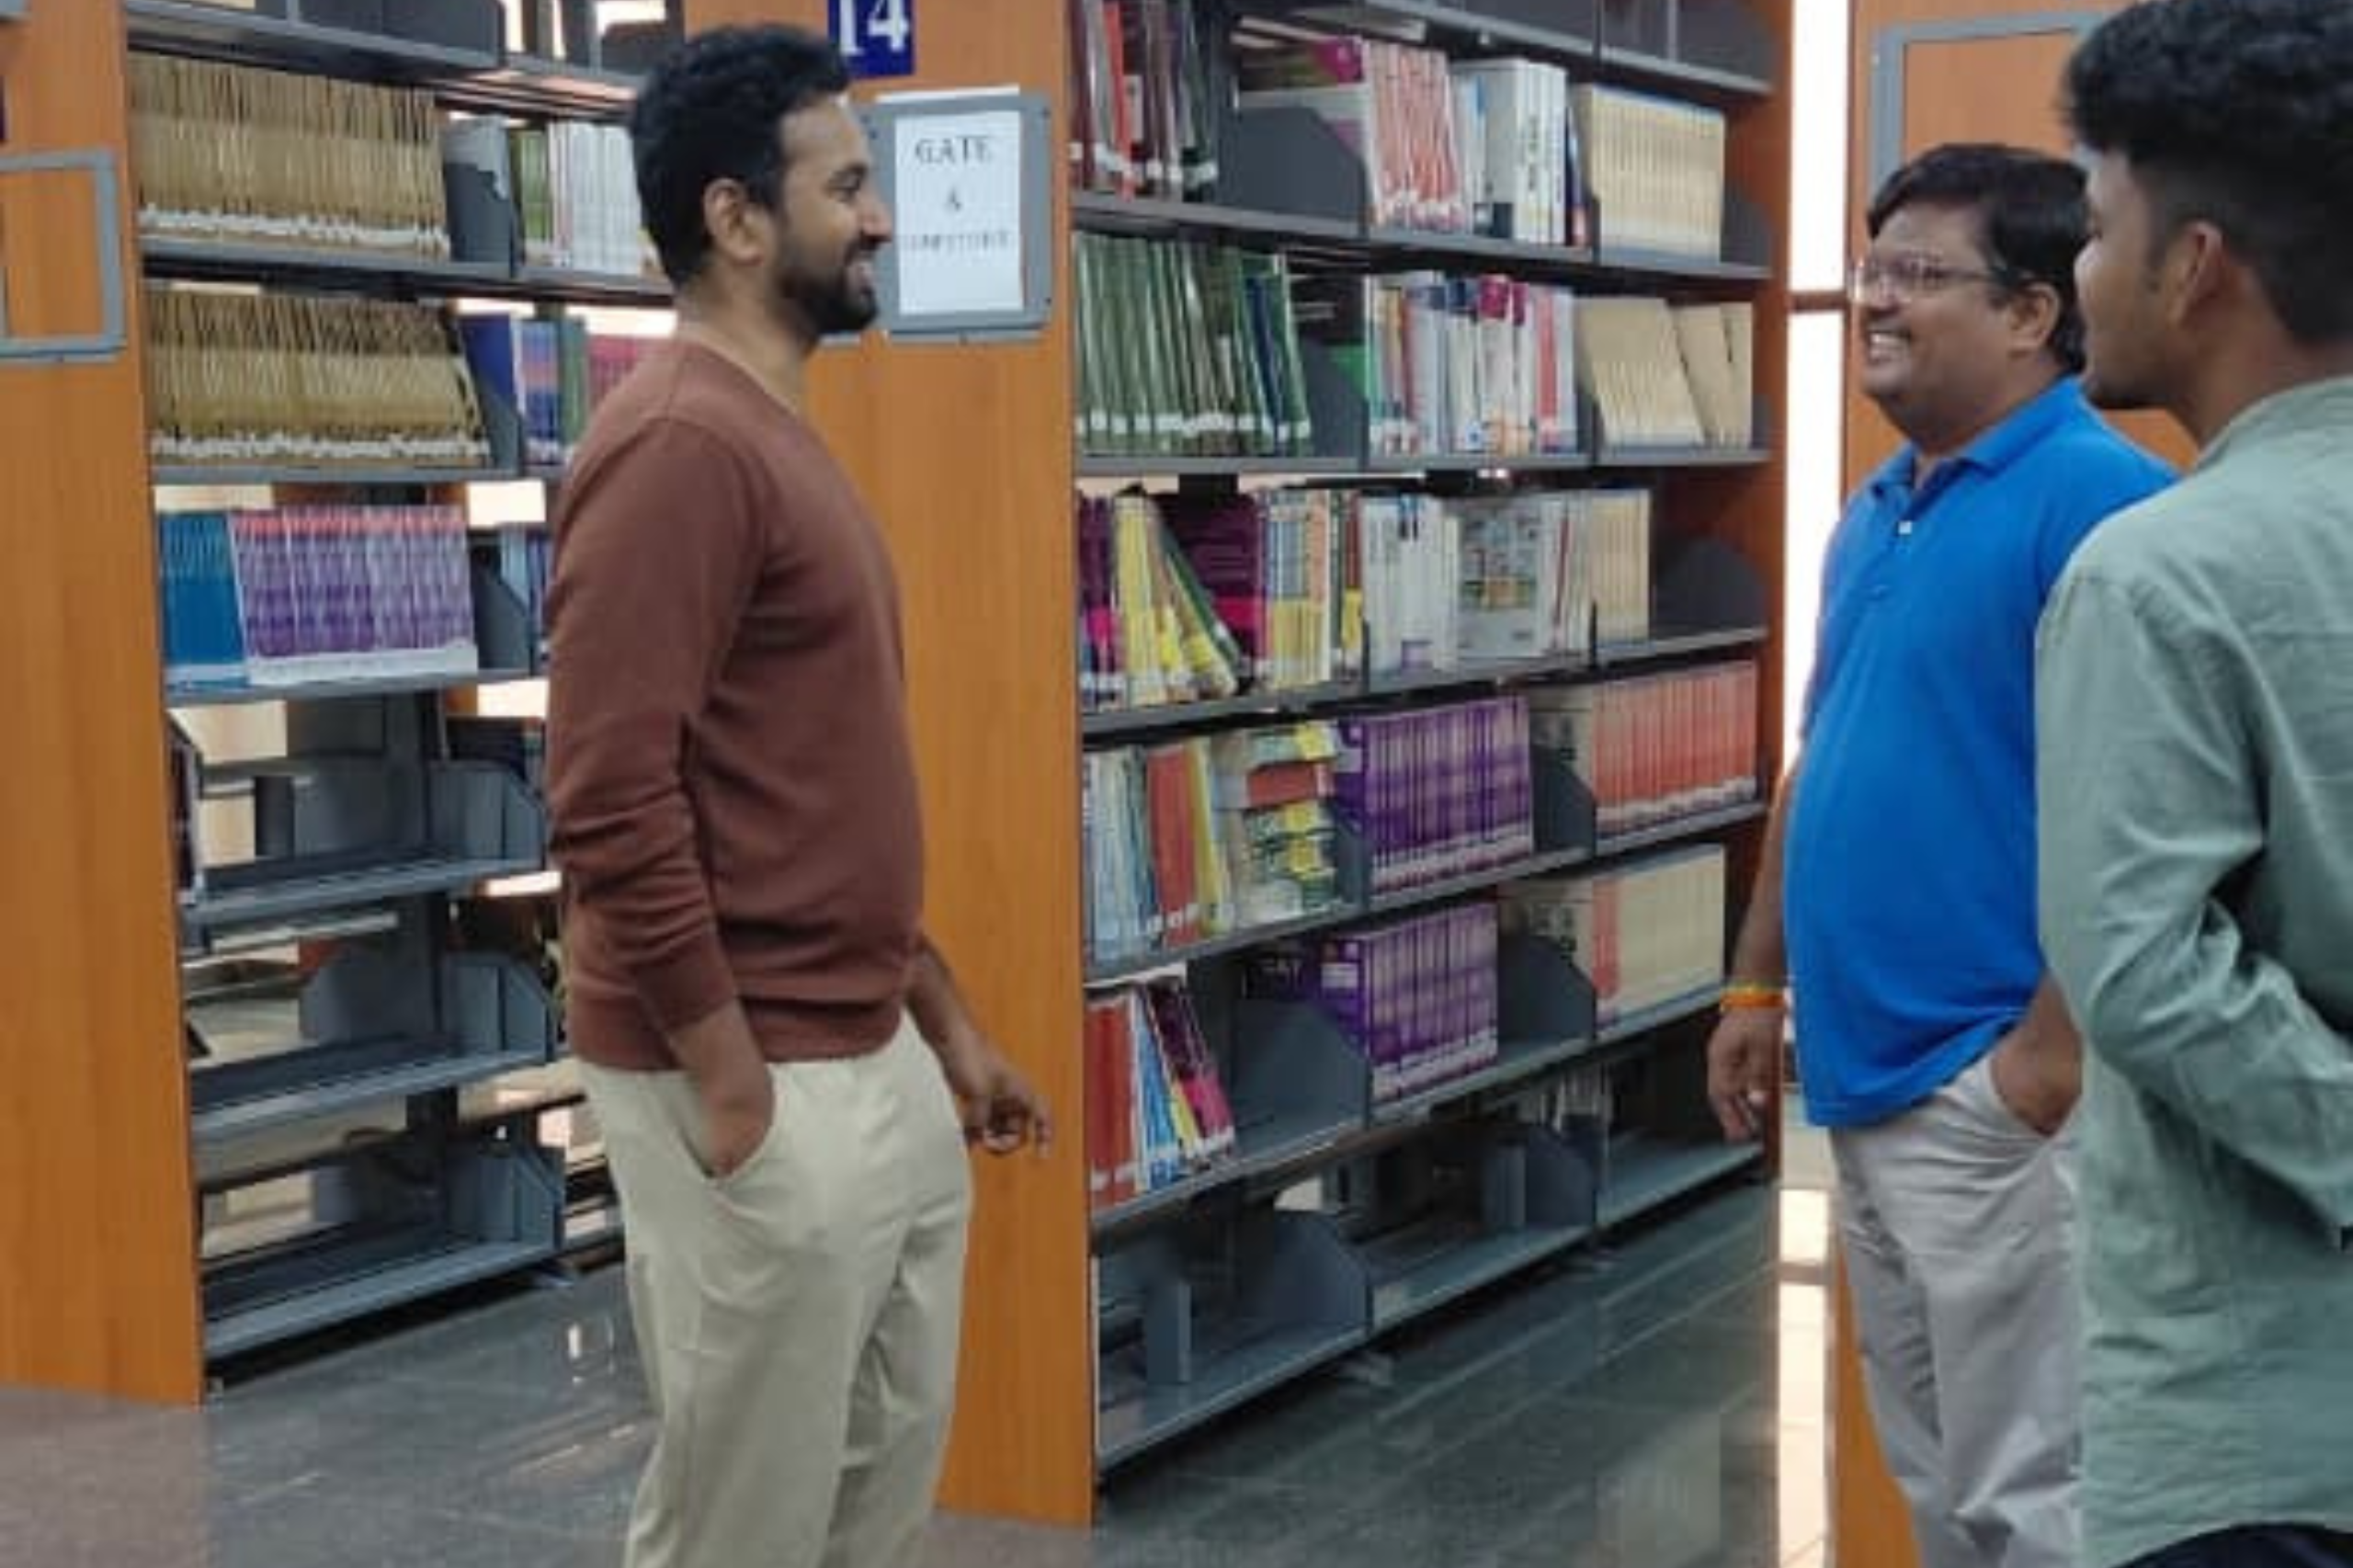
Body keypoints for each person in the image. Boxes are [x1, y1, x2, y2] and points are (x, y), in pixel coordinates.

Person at [542, 26, 1050, 1568]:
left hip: (864, 1046)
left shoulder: (775, 435)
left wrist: (942, 1019)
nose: (879, 217)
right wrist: (730, 1084)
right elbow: (607, 793)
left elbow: (801, 780)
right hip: (753, 1067)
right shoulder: (678, 447)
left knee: (872, 1488)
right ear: (737, 219)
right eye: (844, 188)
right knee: (741, 1520)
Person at [1703, 142, 2169, 1568]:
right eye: (1872, 269)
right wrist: (1757, 983)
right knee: (1939, 1480)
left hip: (1997, 1090)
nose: (1876, 300)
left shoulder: (2101, 504)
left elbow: (2151, 807)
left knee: (2040, 1493)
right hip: (1867, 1077)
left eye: (1919, 273)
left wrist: (2045, 1058)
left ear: (2032, 313)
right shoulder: (1878, 507)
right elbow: (1820, 757)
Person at [2037, 3, 2353, 1565]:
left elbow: (2145, 966)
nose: (2080, 271)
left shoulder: (2159, 573)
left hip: (2260, 1430)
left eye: (2099, 227)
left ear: (2198, 264)